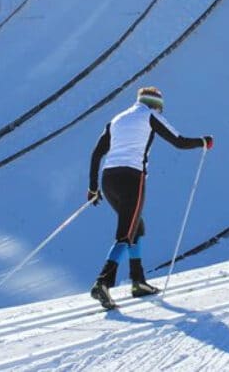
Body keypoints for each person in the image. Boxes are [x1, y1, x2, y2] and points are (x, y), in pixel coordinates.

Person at [87, 86, 213, 309]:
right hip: (132, 178)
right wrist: (203, 142)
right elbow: (179, 141)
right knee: (126, 231)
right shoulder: (150, 116)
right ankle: (103, 282)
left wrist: (93, 188)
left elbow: (97, 153)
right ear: (156, 105)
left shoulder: (116, 119)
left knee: (137, 226)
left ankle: (138, 281)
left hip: (109, 179)